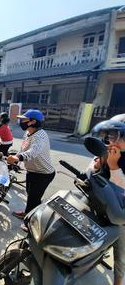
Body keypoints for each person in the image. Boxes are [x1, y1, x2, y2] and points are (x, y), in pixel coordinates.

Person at [90, 114, 125, 285]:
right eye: (110, 135)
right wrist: (98, 164)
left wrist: (113, 166)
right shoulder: (109, 152)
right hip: (100, 204)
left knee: (120, 254)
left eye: (117, 136)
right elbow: (92, 173)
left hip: (120, 216)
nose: (112, 141)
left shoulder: (117, 159)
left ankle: (118, 281)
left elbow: (121, 188)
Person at [7, 109, 55, 231]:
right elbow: (23, 149)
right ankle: (28, 213)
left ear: (32, 122)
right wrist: (16, 157)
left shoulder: (41, 136)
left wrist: (17, 158)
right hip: (32, 171)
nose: (21, 121)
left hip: (43, 173)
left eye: (24, 119)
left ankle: (32, 222)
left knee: (34, 198)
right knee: (30, 194)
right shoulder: (28, 133)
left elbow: (32, 152)